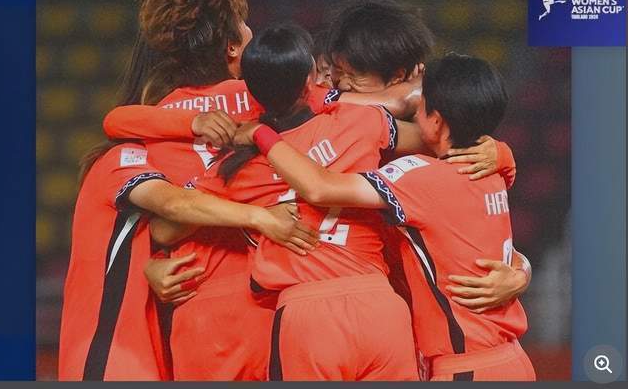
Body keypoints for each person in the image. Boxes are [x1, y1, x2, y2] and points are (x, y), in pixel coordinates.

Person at [180, 25, 527, 380]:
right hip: (385, 311)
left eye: (350, 75)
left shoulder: (233, 167)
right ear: (310, 79)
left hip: (310, 316)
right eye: (334, 73)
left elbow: (173, 220)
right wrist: (500, 152)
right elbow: (436, 143)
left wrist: (256, 209)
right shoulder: (367, 123)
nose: (339, 83)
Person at [59, 0, 317, 381]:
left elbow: (159, 224)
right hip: (282, 300)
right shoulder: (270, 99)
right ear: (231, 47)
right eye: (244, 24)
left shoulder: (147, 129)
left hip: (195, 317)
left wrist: (152, 265)